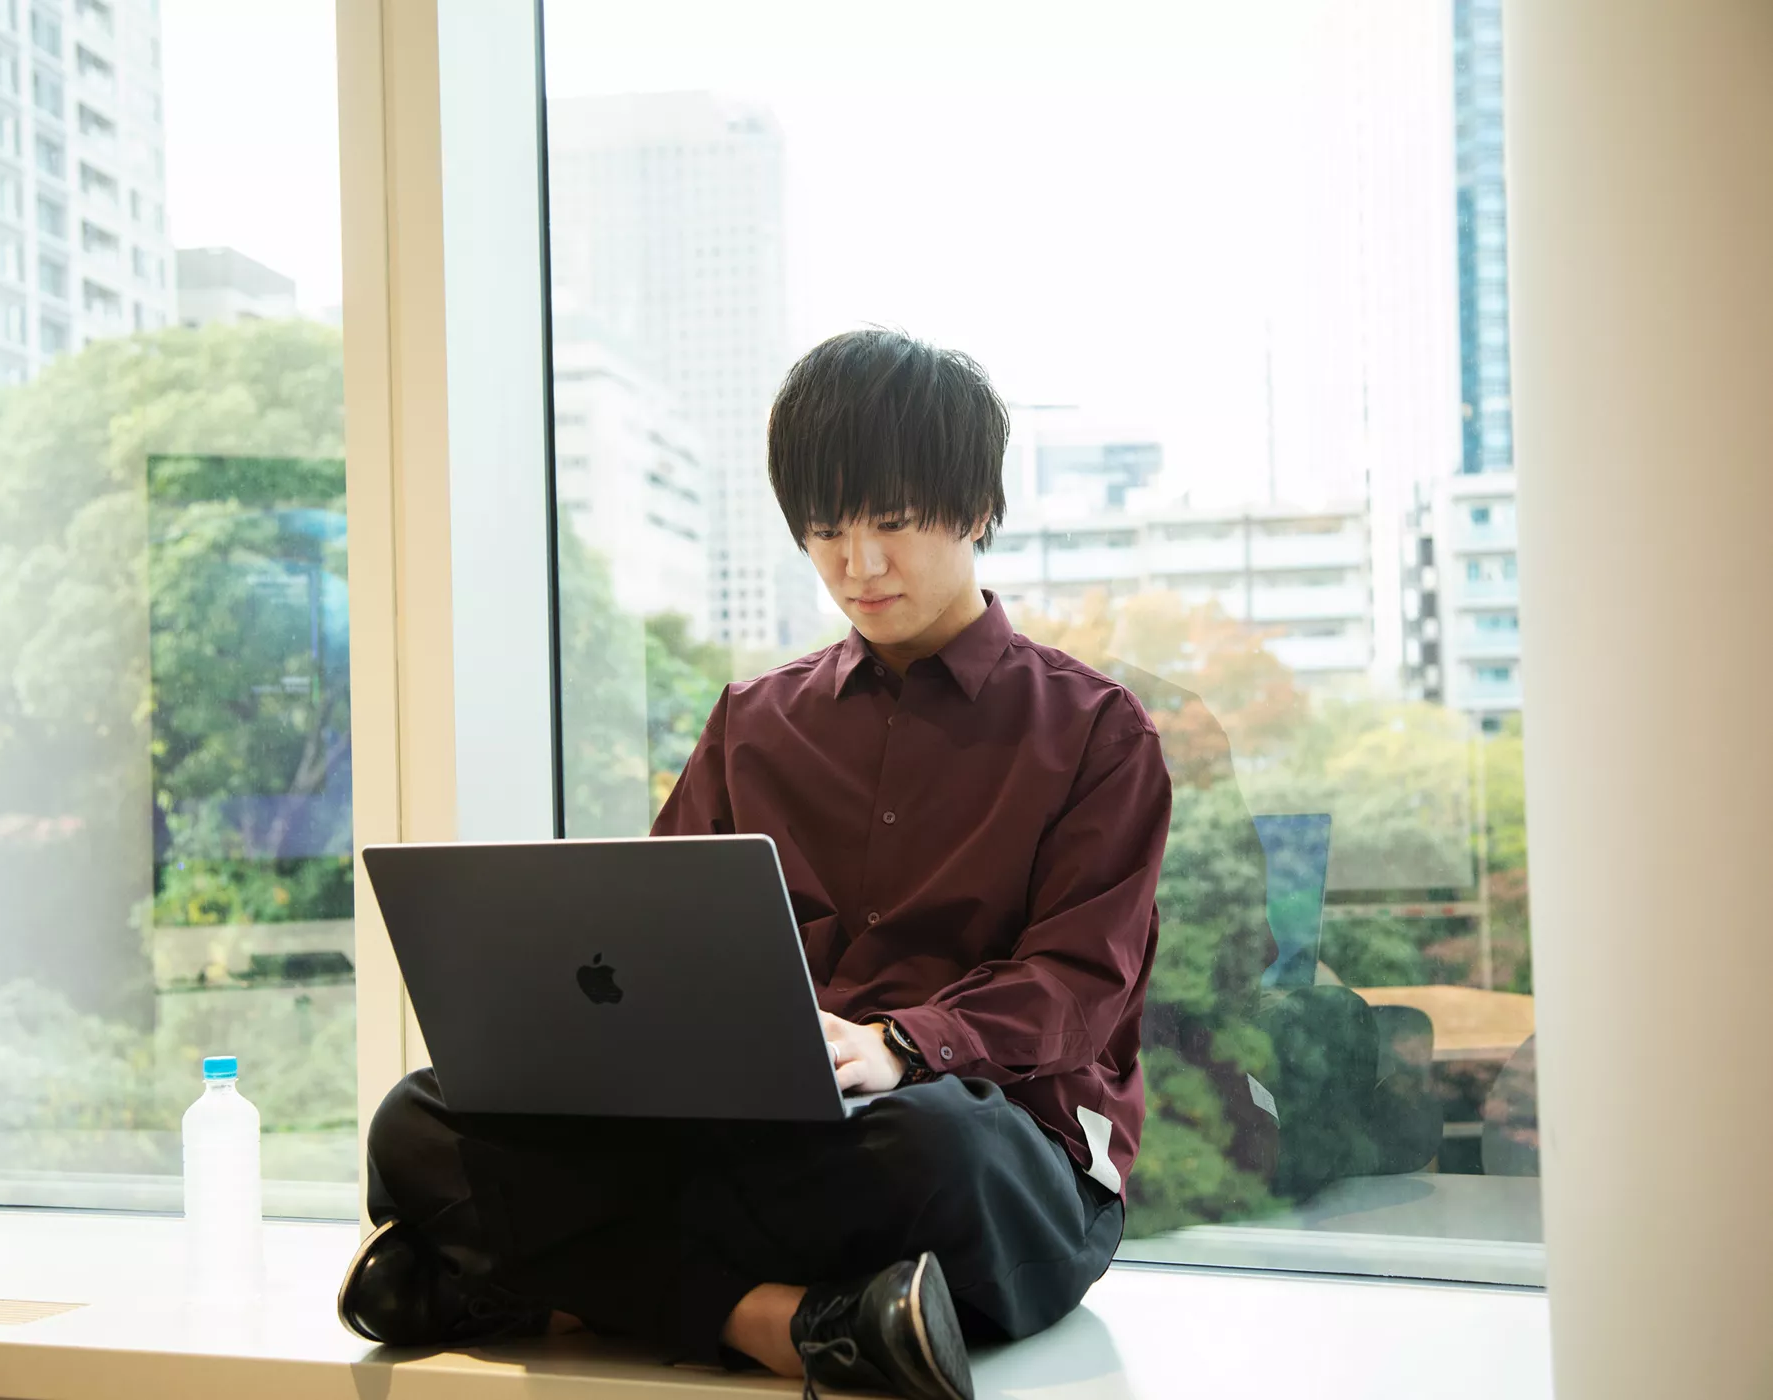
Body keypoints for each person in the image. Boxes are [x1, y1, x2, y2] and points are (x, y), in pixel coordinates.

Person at [337, 329, 1173, 1400]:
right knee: (419, 1119)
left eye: (893, 524)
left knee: (939, 1146)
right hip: (761, 1142)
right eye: (825, 529)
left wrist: (903, 1042)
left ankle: (535, 1279)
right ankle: (791, 1317)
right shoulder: (753, 722)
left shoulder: (1099, 733)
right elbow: (639, 944)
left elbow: (1078, 984)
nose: (856, 566)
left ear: (974, 507)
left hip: (978, 1140)